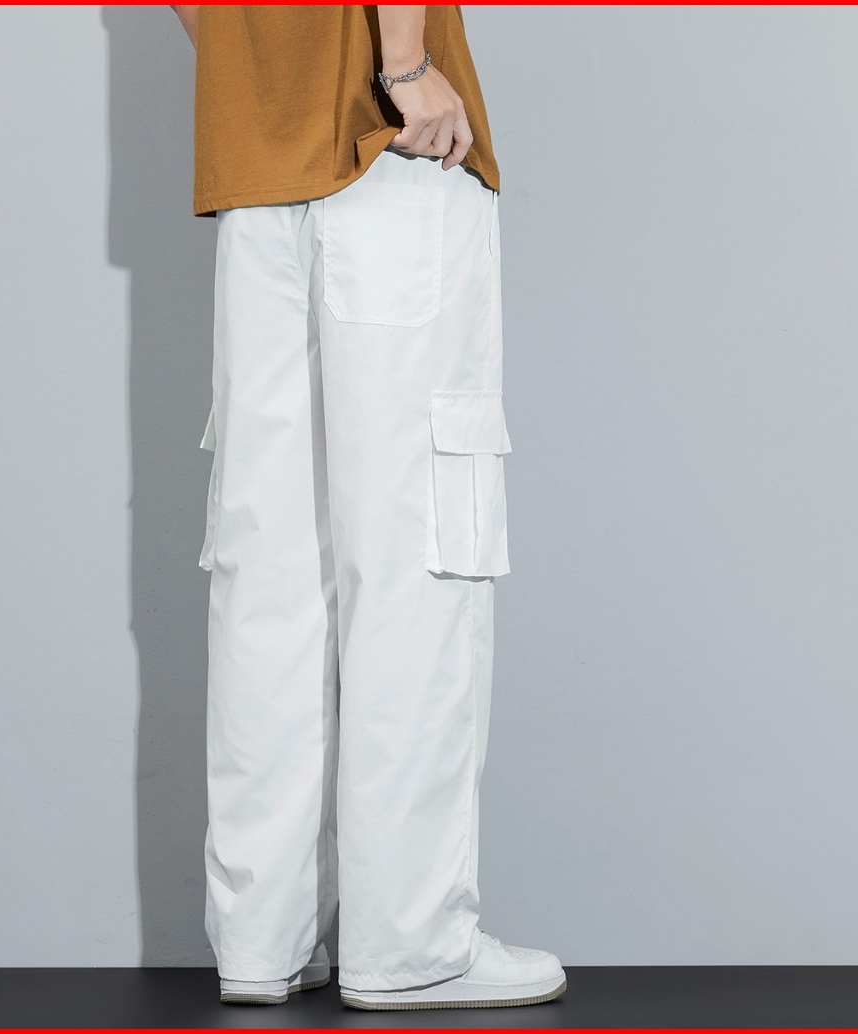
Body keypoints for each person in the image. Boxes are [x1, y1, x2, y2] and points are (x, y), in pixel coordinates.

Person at [169, 4, 567, 1012]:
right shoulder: (399, 86)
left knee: (270, 572)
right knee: (412, 558)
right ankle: (411, 945)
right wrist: (403, 63)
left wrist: (260, 63)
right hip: (388, 152)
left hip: (254, 166)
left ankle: (261, 938)